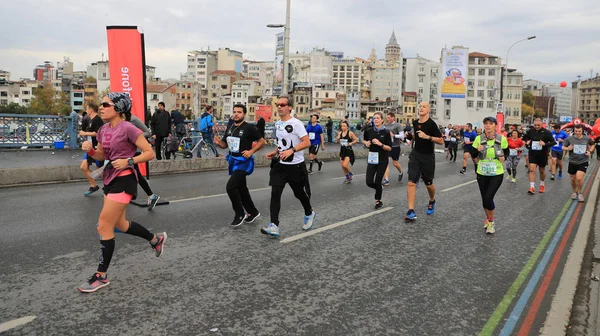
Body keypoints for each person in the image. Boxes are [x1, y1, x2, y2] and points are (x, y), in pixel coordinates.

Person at [78, 92, 166, 293]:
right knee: (120, 224)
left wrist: (129, 161)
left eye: (105, 104)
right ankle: (155, 239)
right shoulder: (102, 130)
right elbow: (102, 154)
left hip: (125, 179)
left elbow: (149, 153)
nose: (101, 107)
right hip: (110, 178)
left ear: (118, 108)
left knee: (104, 226)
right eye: (101, 104)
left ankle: (101, 275)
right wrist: (91, 152)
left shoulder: (128, 128)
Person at [262, 96, 316, 237]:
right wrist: (275, 152)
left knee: (299, 193)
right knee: (275, 194)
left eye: (283, 104)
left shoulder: (297, 123)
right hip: (280, 165)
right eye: (278, 104)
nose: (279, 107)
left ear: (290, 107)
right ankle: (274, 225)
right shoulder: (278, 124)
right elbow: (281, 142)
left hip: (295, 166)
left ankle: (309, 213)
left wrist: (292, 151)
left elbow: (307, 142)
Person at [214, 104, 265, 226]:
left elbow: (262, 141)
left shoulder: (249, 128)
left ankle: (239, 213)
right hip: (233, 161)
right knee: (241, 188)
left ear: (244, 114)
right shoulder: (230, 127)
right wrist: (218, 142)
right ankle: (253, 212)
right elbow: (225, 145)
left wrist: (251, 151)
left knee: (231, 187)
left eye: (239, 112)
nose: (236, 114)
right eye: (235, 111)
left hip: (244, 162)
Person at [405, 102, 444, 221]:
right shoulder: (415, 122)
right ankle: (411, 210)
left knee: (428, 183)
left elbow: (441, 141)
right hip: (415, 155)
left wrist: (427, 137)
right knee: (411, 181)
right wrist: (409, 136)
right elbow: (416, 136)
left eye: (424, 107)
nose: (421, 108)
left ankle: (432, 200)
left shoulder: (432, 124)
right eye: (420, 106)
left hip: (427, 157)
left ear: (428, 110)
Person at [472, 117, 509, 234]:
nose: (488, 126)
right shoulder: (479, 138)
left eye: (490, 124)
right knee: (485, 199)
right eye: (486, 124)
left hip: (496, 172)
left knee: (488, 197)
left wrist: (504, 157)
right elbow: (472, 154)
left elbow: (506, 152)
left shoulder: (501, 139)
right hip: (482, 172)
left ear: (495, 126)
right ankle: (488, 218)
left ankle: (491, 222)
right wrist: (477, 150)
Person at [129, 114, 162, 210]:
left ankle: (151, 195)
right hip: (125, 150)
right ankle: (132, 194)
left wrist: (134, 137)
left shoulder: (133, 119)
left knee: (135, 173)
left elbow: (148, 132)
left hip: (135, 150)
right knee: (131, 172)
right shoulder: (117, 119)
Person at [362, 112, 392, 209]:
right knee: (369, 181)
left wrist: (380, 144)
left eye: (378, 118)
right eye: (374, 118)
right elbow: (363, 139)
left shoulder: (386, 133)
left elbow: (389, 148)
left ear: (382, 120)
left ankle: (378, 200)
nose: (376, 120)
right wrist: (366, 143)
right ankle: (379, 188)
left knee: (378, 181)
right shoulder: (369, 130)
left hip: (382, 160)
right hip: (372, 159)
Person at [562, 124, 595, 202]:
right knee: (573, 179)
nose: (577, 133)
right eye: (576, 131)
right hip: (572, 161)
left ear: (582, 131)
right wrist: (567, 148)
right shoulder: (569, 139)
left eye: (579, 131)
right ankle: (575, 192)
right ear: (574, 131)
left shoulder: (587, 138)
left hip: (583, 161)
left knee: (579, 178)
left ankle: (580, 193)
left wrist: (589, 151)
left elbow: (593, 144)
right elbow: (563, 147)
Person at [523, 118, 556, 194]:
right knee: (532, 170)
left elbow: (553, 142)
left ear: (541, 124)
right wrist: (527, 141)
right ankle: (532, 187)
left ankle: (542, 184)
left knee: (541, 171)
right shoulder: (531, 131)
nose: (536, 126)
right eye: (535, 125)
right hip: (533, 153)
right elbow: (525, 137)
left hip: (542, 154)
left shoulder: (547, 132)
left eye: (538, 125)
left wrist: (545, 144)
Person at [79, 102, 105, 196]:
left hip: (97, 149)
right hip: (89, 148)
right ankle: (93, 185)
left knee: (101, 172)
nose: (86, 110)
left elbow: (98, 133)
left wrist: (85, 134)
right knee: (83, 167)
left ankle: (110, 188)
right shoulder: (90, 119)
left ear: (91, 110)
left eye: (87, 108)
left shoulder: (97, 120)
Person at [382, 112, 405, 186]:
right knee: (386, 162)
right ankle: (386, 179)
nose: (387, 119)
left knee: (395, 163)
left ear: (393, 117)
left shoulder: (398, 125)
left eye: (389, 117)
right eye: (387, 117)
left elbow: (402, 136)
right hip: (388, 146)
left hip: (395, 146)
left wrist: (394, 135)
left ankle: (401, 172)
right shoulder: (386, 126)